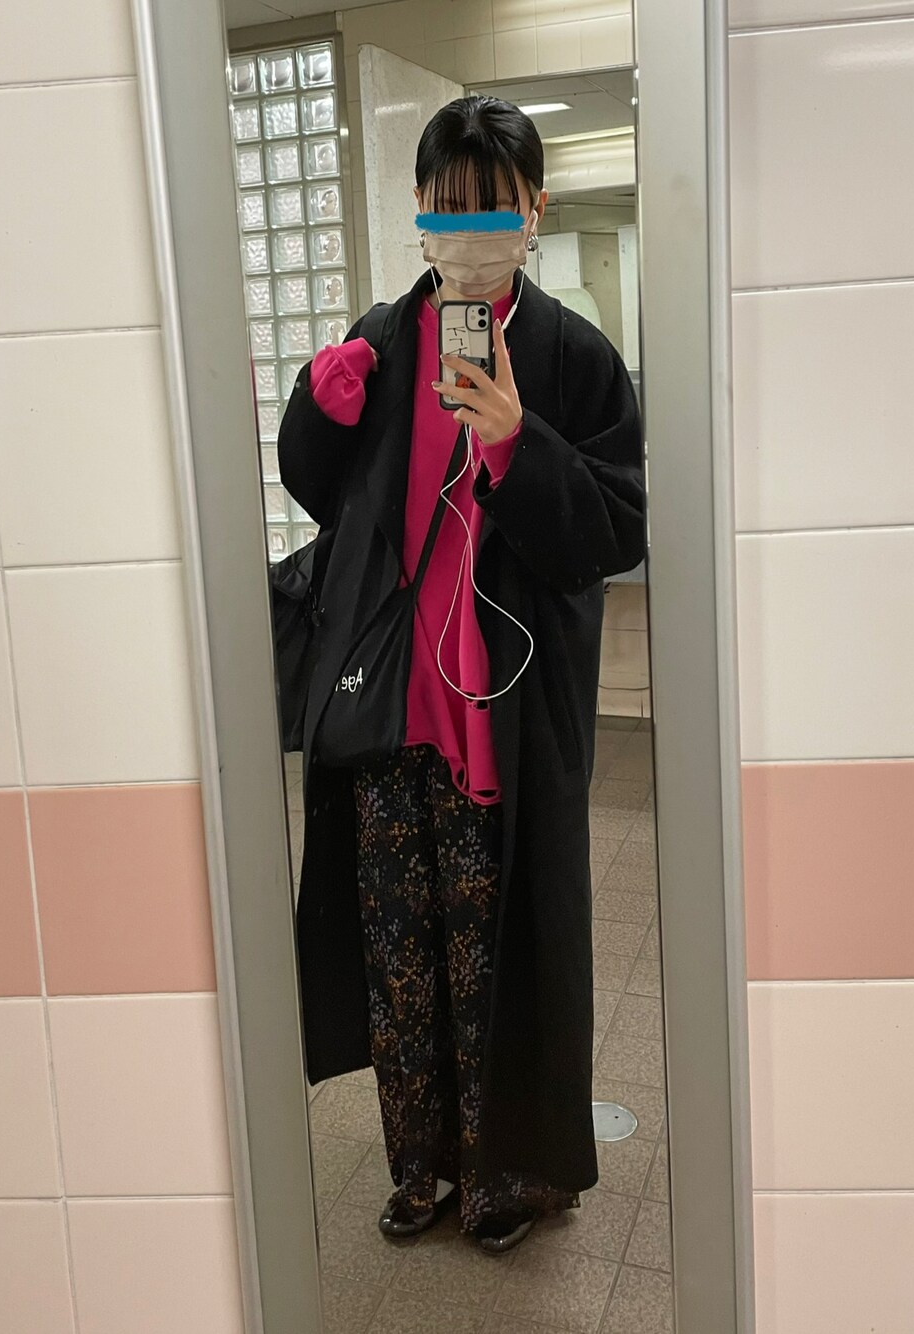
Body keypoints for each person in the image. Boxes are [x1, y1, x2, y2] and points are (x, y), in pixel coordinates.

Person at [278, 95, 644, 1253]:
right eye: (449, 206)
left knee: (504, 962)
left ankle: (508, 1174)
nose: (470, 228)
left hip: (506, 717)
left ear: (534, 209)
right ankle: (422, 1163)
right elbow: (323, 493)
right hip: (392, 708)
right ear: (420, 212)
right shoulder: (386, 336)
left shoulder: (574, 356)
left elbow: (618, 528)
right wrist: (316, 412)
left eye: (494, 206)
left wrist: (517, 445)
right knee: (403, 957)